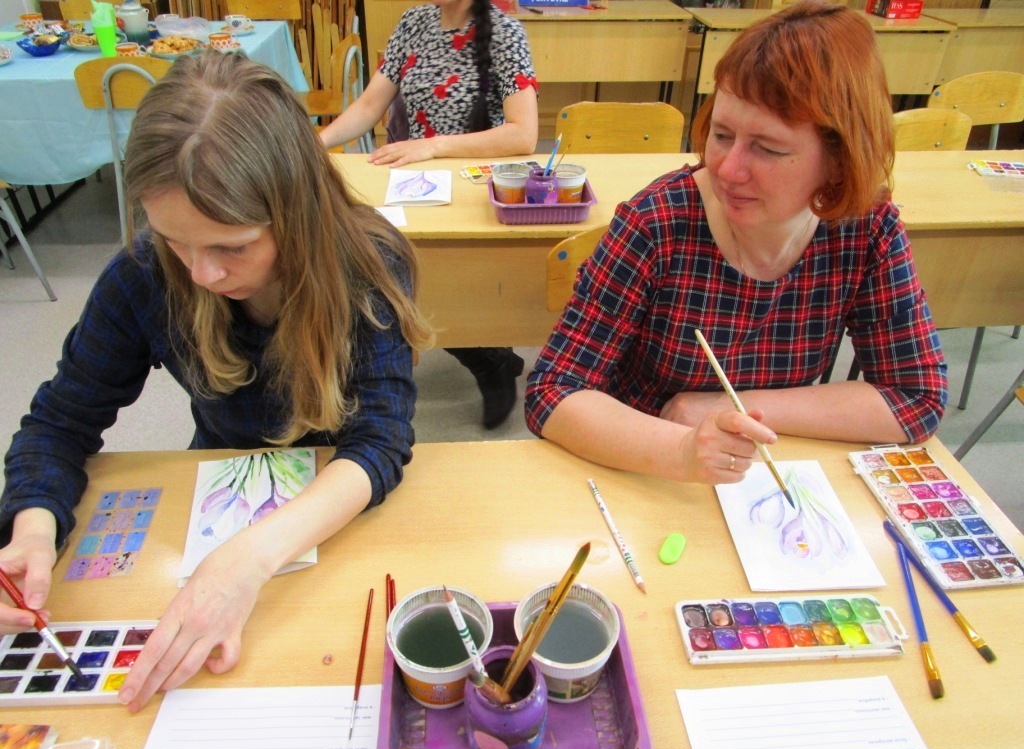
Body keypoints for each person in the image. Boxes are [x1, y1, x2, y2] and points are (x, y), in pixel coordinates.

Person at [0, 51, 431, 711]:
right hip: (220, 489)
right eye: (175, 240)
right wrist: (32, 526)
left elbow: (379, 441)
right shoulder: (144, 274)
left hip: (347, 510)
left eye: (232, 246)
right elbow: (59, 423)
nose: (201, 274)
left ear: (296, 214)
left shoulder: (367, 265)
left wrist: (245, 562)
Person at [524, 1, 947, 486]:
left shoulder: (866, 228)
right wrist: (681, 449)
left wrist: (726, 407)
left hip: (758, 471)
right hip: (645, 468)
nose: (727, 169)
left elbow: (916, 397)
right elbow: (554, 390)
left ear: (839, 158)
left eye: (767, 148)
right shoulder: (658, 222)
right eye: (722, 135)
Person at [319, 0, 539, 429]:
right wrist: (315, 142)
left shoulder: (505, 33)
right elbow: (368, 106)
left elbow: (523, 133)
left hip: (472, 187)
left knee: (425, 282)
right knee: (388, 271)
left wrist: (433, 145)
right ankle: (489, 355)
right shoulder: (414, 21)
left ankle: (486, 357)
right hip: (416, 183)